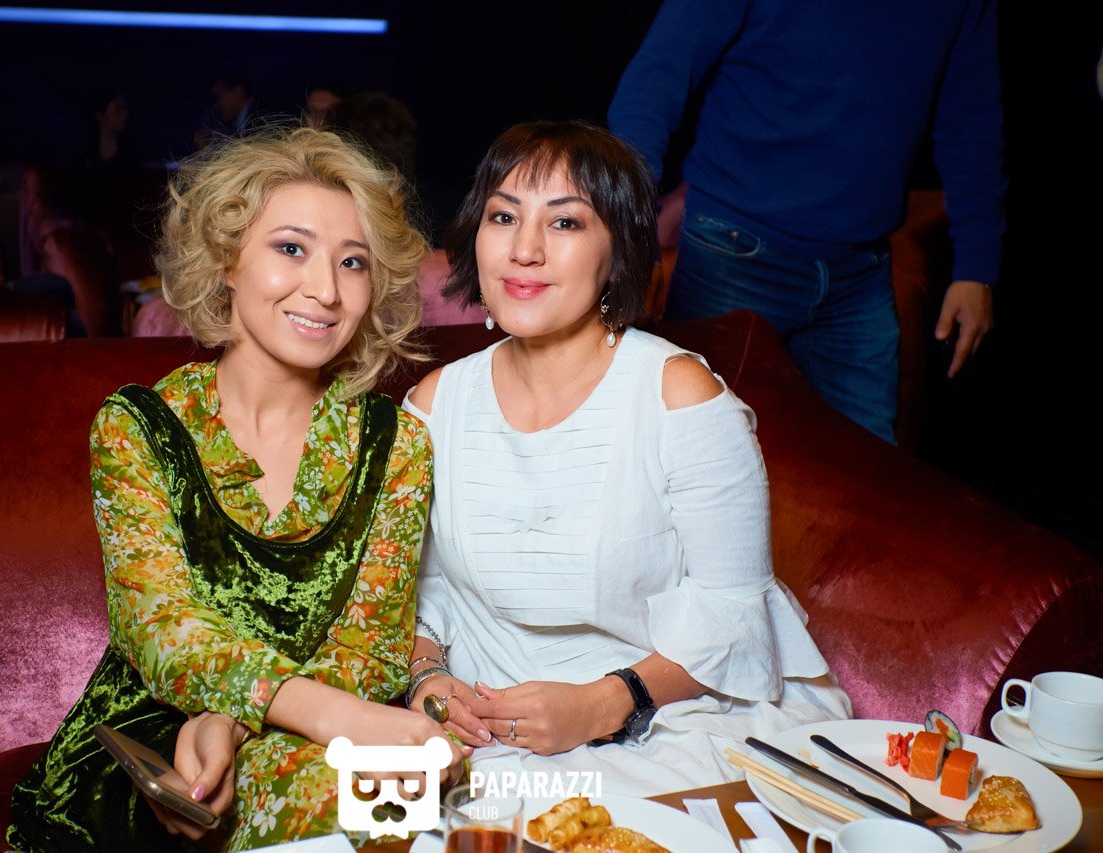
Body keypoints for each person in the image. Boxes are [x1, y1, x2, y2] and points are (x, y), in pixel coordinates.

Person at [177, 121, 850, 803]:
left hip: (670, 723)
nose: (525, 249)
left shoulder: (680, 395)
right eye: (503, 217)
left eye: (565, 222)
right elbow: (416, 597)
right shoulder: (434, 405)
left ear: (617, 251)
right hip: (486, 737)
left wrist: (605, 702)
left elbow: (734, 614)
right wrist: (430, 680)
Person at [7, 126, 465, 852]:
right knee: (374, 803)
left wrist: (238, 717)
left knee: (402, 803)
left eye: (352, 262)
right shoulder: (140, 425)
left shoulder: (396, 442)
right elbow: (160, 627)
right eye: (292, 249)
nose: (326, 290)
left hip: (313, 732)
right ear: (226, 260)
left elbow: (372, 645)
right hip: (157, 745)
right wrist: (318, 717)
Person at [607, 0, 1005, 444]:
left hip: (860, 274)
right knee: (690, 452)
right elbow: (654, 83)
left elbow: (972, 124)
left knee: (866, 470)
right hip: (732, 255)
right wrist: (632, 234)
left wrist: (976, 267)